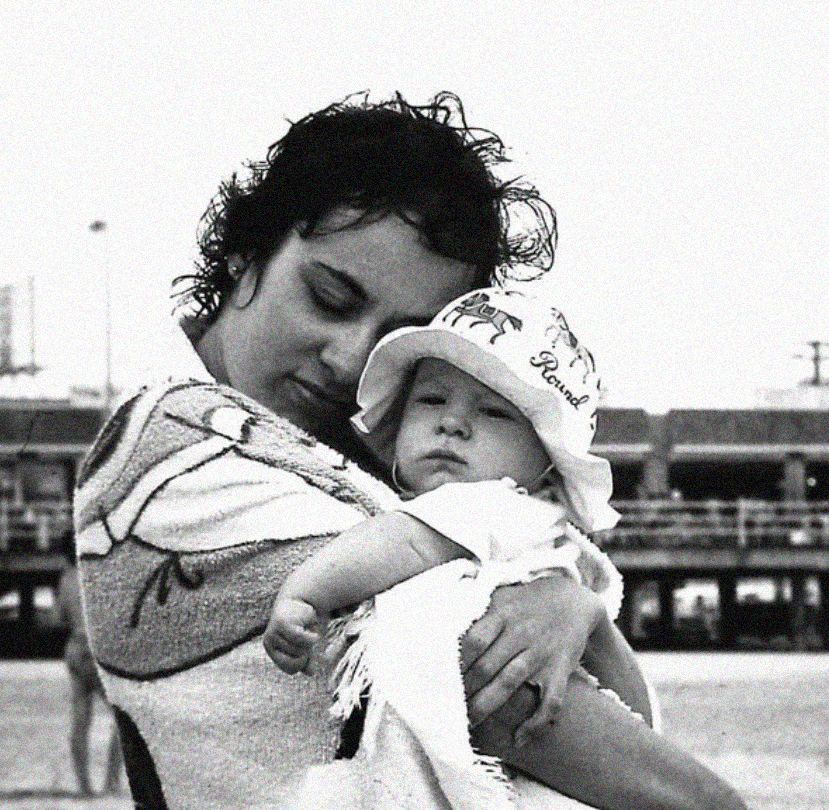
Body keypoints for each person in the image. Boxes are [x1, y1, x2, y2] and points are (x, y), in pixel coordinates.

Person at [73, 92, 747, 810]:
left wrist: (568, 599)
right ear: (243, 256)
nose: (351, 356)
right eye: (330, 298)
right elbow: (485, 678)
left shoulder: (336, 459)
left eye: (402, 342)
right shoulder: (177, 448)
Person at [264, 287, 745, 808]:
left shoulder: (488, 505)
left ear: (544, 464)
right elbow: (639, 719)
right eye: (430, 399)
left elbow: (399, 542)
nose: (452, 422)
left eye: (494, 413)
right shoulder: (559, 545)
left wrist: (302, 593)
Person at [54, 530, 123, 797]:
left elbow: (58, 618)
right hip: (100, 649)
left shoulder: (67, 578)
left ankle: (84, 786)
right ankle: (111, 781)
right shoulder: (101, 574)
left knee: (81, 721)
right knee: (120, 719)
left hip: (75, 648)